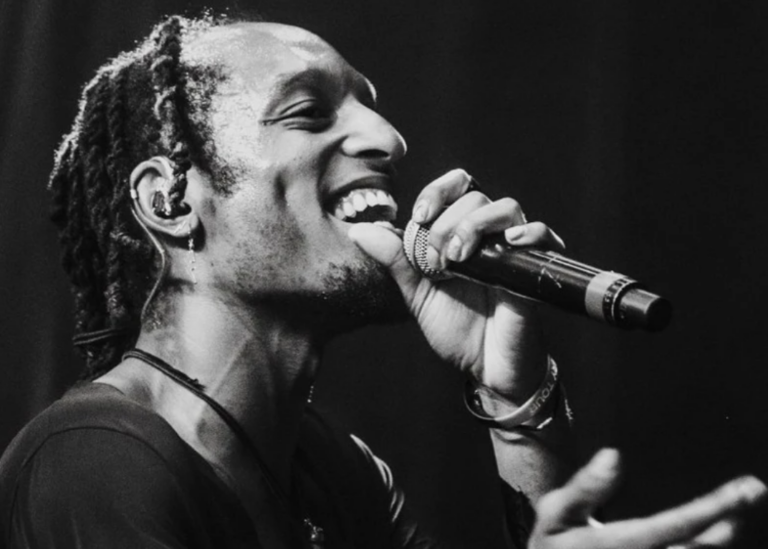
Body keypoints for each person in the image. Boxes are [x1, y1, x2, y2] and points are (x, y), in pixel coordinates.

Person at [0, 14, 764, 549]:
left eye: (370, 107)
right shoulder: (94, 462)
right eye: (307, 112)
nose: (388, 139)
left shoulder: (334, 468)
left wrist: (512, 395)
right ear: (170, 201)